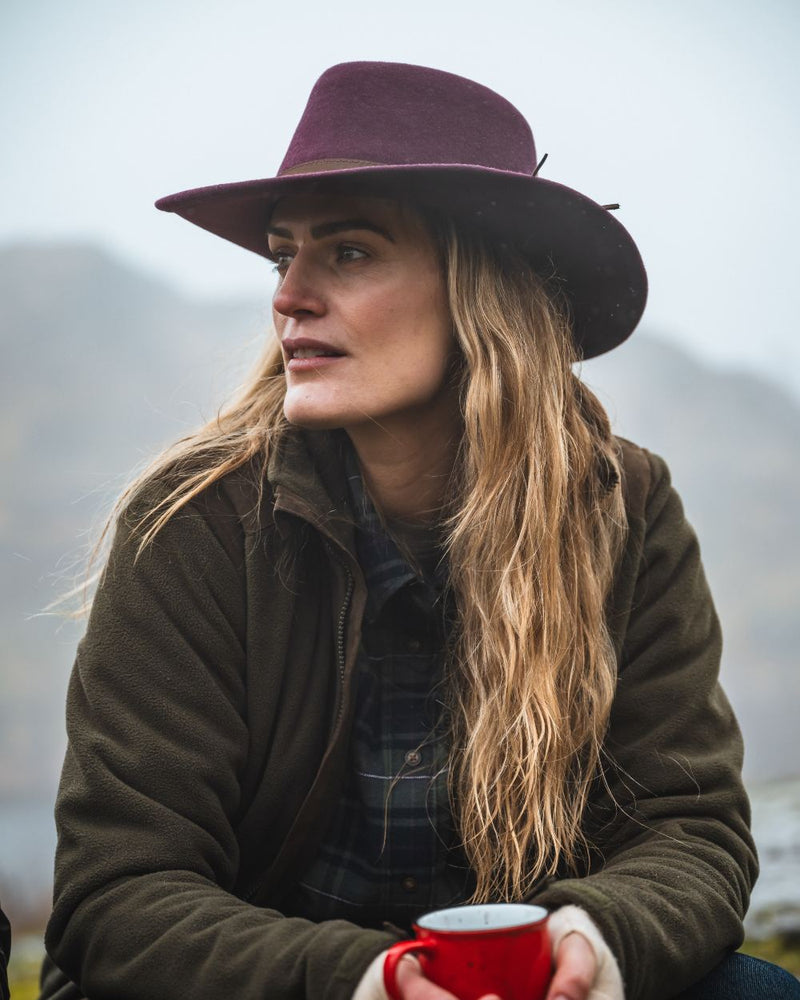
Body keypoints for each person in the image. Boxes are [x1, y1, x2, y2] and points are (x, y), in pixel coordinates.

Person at [40, 62, 799, 1000]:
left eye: (348, 253)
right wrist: (368, 980)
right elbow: (118, 893)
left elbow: (692, 829)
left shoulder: (624, 508)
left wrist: (593, 944)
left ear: (482, 288)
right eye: (285, 256)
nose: (290, 296)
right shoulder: (196, 526)